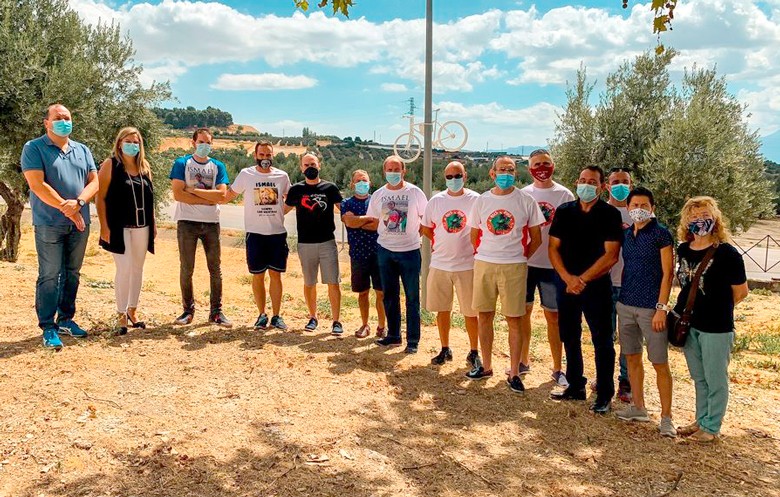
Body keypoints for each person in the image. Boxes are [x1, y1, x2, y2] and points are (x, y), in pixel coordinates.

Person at [188, 141, 291, 331]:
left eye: (268, 155)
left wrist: (280, 212)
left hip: (276, 234)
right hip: (255, 234)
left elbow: (290, 199)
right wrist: (201, 199)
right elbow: (227, 196)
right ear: (255, 155)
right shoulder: (246, 174)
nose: (265, 158)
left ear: (273, 156)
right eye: (262, 155)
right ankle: (262, 315)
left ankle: (276, 316)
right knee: (258, 276)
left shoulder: (282, 176)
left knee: (276, 276)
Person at [21, 103, 99, 350]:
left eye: (67, 117)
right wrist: (66, 208)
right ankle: (48, 326)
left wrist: (79, 203)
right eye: (58, 117)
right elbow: (37, 184)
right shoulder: (33, 148)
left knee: (72, 273)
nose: (64, 121)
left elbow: (94, 181)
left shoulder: (82, 150)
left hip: (80, 223)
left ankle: (66, 319)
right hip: (49, 223)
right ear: (47, 123)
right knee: (49, 275)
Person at [466, 156, 544, 394]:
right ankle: (487, 366)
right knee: (484, 316)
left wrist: (519, 257)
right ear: (492, 173)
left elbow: (536, 238)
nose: (506, 173)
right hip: (485, 264)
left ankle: (514, 372)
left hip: (514, 267)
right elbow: (474, 234)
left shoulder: (526, 200)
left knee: (514, 320)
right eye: (502, 169)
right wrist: (486, 254)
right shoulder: (482, 200)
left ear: (516, 174)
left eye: (510, 170)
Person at [548, 165, 622, 414]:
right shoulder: (564, 211)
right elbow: (553, 248)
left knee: (602, 340)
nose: (586, 185)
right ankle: (575, 386)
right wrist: (568, 279)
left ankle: (604, 393)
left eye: (592, 181)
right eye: (582, 180)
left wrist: (582, 280)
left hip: (596, 285)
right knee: (569, 334)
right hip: (566, 284)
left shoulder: (610, 214)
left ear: (602, 186)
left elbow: (611, 255)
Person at [674, 196, 748, 442]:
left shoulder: (727, 253)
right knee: (699, 377)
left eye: (705, 215)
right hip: (689, 324)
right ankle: (701, 419)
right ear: (686, 221)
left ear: (715, 218)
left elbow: (741, 292)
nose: (699, 221)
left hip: (716, 327)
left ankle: (712, 427)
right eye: (694, 217)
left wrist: (717, 307)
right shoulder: (683, 249)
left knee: (716, 379)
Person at [613, 187, 676, 437]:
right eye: (634, 204)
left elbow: (667, 273)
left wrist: (661, 307)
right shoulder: (628, 235)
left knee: (659, 362)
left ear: (653, 208)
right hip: (626, 304)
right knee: (632, 357)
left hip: (652, 308)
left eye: (644, 205)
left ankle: (666, 417)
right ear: (628, 208)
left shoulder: (661, 235)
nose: (639, 209)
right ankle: (638, 407)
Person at [519, 149, 575, 387]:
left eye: (546, 163)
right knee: (523, 314)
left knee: (554, 317)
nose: (542, 167)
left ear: (553, 165)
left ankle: (557, 367)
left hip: (554, 267)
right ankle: (522, 361)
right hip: (526, 264)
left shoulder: (565, 194)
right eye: (537, 164)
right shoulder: (522, 194)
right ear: (529, 169)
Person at [363, 156, 428, 353]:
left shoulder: (415, 192)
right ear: (384, 172)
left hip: (409, 252)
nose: (393, 172)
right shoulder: (378, 195)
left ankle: (413, 341)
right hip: (385, 251)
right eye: (389, 169)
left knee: (412, 297)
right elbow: (373, 221)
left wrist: (413, 237)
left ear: (403, 171)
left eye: (396, 169)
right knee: (389, 296)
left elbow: (426, 220)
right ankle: (393, 336)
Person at [96, 127, 156, 335]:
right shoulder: (110, 165)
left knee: (137, 269)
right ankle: (120, 313)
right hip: (119, 227)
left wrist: (154, 225)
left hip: (143, 227)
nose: (133, 145)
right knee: (124, 268)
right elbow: (100, 197)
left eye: (136, 141)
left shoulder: (145, 167)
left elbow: (151, 201)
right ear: (120, 143)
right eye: (128, 141)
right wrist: (104, 226)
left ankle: (132, 310)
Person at [169, 128, 231, 327]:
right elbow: (178, 195)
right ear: (193, 142)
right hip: (187, 222)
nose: (205, 145)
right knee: (187, 268)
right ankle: (188, 310)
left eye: (208, 142)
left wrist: (192, 191)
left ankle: (216, 312)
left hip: (212, 223)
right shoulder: (182, 163)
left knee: (216, 269)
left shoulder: (218, 166)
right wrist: (208, 198)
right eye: (201, 142)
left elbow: (222, 195)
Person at [421, 161, 481, 368]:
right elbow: (426, 228)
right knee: (442, 310)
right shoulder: (436, 201)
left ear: (465, 176)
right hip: (440, 265)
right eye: (449, 176)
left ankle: (474, 351)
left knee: (471, 312)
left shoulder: (476, 200)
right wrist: (439, 244)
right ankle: (445, 348)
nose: (453, 180)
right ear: (444, 178)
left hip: (468, 265)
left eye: (458, 175)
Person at [285, 153, 344, 334]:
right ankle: (313, 317)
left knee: (333, 282)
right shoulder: (296, 190)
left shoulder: (330, 188)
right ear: (301, 168)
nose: (310, 167)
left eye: (313, 164)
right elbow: (282, 211)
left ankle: (336, 321)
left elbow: (344, 210)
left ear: (320, 166)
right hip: (305, 243)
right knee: (309, 282)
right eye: (306, 164)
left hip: (327, 242)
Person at [341, 170, 386, 338]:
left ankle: (382, 326)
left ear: (370, 182)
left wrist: (358, 221)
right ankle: (364, 324)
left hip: (379, 253)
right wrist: (367, 220)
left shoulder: (378, 201)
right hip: (358, 254)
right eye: (358, 181)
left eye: (364, 180)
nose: (362, 183)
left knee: (381, 292)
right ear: (352, 184)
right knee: (363, 292)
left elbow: (378, 225)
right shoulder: (347, 202)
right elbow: (349, 222)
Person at [607, 167, 634, 402]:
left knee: (627, 336)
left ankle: (625, 381)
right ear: (607, 186)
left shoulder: (639, 214)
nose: (620, 185)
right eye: (615, 181)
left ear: (631, 185)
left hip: (629, 286)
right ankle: (604, 376)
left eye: (624, 181)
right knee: (604, 335)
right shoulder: (599, 212)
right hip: (603, 284)